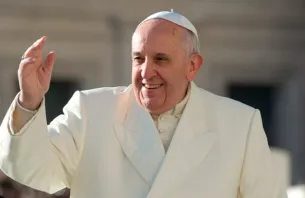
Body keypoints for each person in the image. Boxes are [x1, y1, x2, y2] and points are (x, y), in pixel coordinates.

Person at [0, 10, 287, 198]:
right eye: (139, 58)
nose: (146, 72)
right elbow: (31, 169)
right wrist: (30, 100)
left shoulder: (239, 124)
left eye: (161, 59)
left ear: (192, 66)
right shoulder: (91, 110)